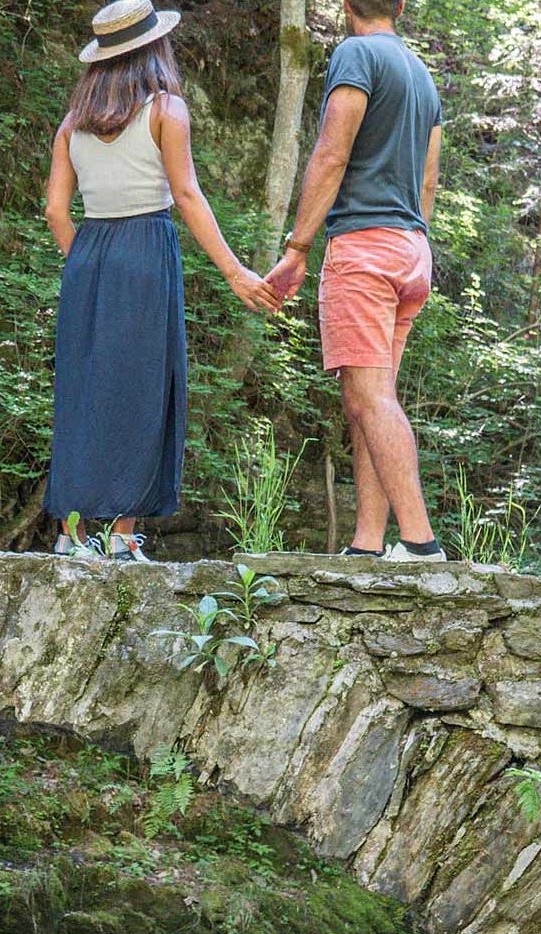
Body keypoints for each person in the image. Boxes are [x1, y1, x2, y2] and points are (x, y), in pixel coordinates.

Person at [43, 0, 280, 562]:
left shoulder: (71, 124)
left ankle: (71, 536)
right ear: (155, 49)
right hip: (145, 251)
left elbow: (56, 210)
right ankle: (122, 537)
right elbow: (188, 195)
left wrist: (89, 264)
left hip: (89, 253)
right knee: (141, 390)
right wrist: (236, 271)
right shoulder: (165, 109)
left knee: (82, 390)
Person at [265, 0, 447, 562]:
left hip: (365, 249)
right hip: (410, 248)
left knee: (369, 398)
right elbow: (428, 182)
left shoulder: (355, 54)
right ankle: (368, 542)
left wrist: (296, 248)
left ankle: (419, 543)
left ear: (347, 6)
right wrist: (410, 240)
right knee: (370, 398)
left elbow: (331, 154)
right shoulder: (422, 75)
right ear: (398, 6)